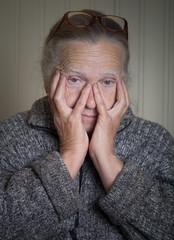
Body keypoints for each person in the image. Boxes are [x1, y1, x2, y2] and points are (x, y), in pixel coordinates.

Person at [0, 9, 174, 240]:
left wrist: (107, 160)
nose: (91, 101)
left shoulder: (155, 140)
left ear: (123, 82)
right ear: (46, 78)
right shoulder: (10, 135)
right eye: (74, 79)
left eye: (107, 82)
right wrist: (70, 154)